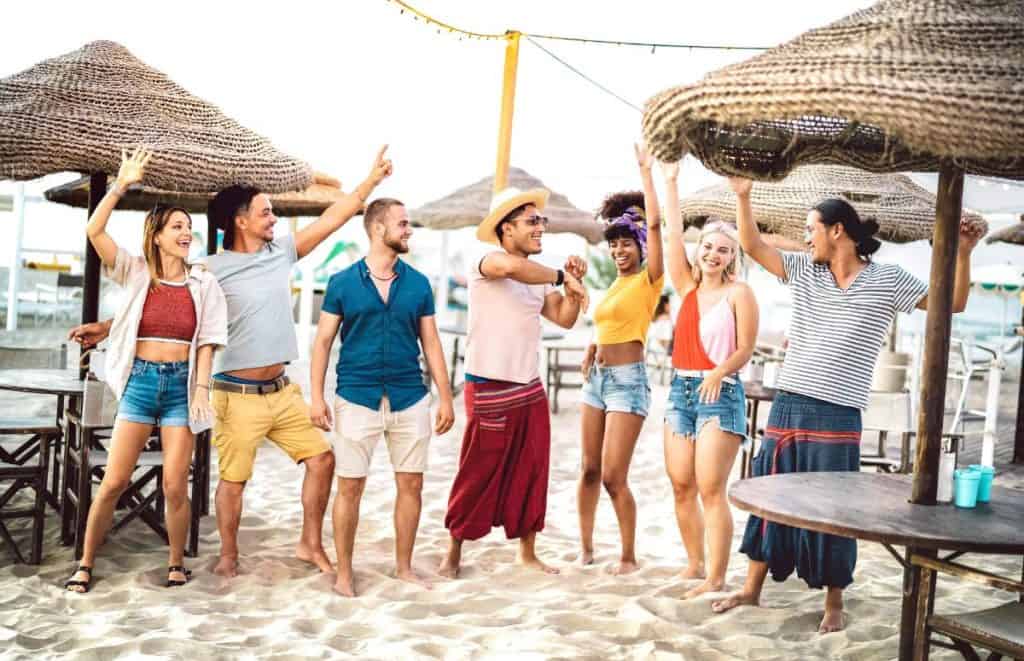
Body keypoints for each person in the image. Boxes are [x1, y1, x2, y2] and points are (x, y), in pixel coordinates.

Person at [69, 146, 394, 578]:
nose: (274, 219)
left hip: (282, 389)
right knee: (234, 481)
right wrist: (110, 325)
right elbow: (164, 301)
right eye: (266, 212)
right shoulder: (208, 269)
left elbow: (331, 222)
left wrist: (369, 183)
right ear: (241, 220)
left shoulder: (280, 254)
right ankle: (227, 554)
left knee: (322, 460)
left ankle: (309, 543)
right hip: (233, 393)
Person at [711, 177, 984, 633]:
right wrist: (743, 196)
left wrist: (965, 253)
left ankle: (833, 602)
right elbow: (752, 244)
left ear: (837, 230)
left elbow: (951, 303)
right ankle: (752, 588)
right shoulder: (805, 270)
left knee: (835, 508)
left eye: (811, 228)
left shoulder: (888, 280)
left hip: (839, 409)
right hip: (789, 401)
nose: (805, 237)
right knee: (769, 494)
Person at [65, 148, 228, 593]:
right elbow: (94, 228)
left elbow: (210, 340)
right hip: (139, 384)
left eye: (189, 229)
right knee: (115, 480)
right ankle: (84, 563)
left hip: (181, 388)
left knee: (176, 484)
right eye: (177, 227)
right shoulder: (135, 272)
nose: (186, 234)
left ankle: (176, 563)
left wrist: (200, 389)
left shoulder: (204, 282)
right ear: (156, 235)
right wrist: (121, 184)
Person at [438, 186, 588, 578]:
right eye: (532, 221)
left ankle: (527, 552)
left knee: (532, 469)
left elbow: (564, 317)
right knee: (477, 469)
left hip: (529, 386)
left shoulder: (539, 276)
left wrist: (570, 285)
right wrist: (559, 275)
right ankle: (453, 551)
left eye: (542, 220)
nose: (541, 227)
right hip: (489, 385)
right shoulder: (484, 261)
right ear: (506, 229)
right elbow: (510, 269)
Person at [309, 197, 455, 597]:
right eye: (403, 223)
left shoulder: (419, 283)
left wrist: (446, 397)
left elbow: (432, 342)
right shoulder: (341, 283)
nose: (409, 230)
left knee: (412, 486)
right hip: (356, 397)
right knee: (350, 488)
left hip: (410, 397)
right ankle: (344, 573)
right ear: (378, 229)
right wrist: (316, 398)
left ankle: (404, 567)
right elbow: (322, 343)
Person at [659, 161, 759, 600]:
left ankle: (716, 578)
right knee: (680, 483)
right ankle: (695, 564)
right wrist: (670, 181)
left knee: (710, 488)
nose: (713, 254)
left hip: (721, 392)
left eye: (723, 249)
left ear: (733, 256)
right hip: (680, 391)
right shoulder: (686, 288)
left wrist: (720, 370)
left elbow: (746, 349)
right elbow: (671, 235)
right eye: (708, 247)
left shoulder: (741, 293)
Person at [577, 143, 665, 574]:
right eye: (613, 244)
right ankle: (587, 548)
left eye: (626, 243)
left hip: (628, 382)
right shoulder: (613, 285)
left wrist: (646, 173)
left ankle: (628, 557)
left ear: (641, 245)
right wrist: (594, 345)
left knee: (614, 476)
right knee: (588, 470)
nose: (618, 250)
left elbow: (656, 223)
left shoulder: (650, 279)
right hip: (596, 380)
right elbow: (608, 324)